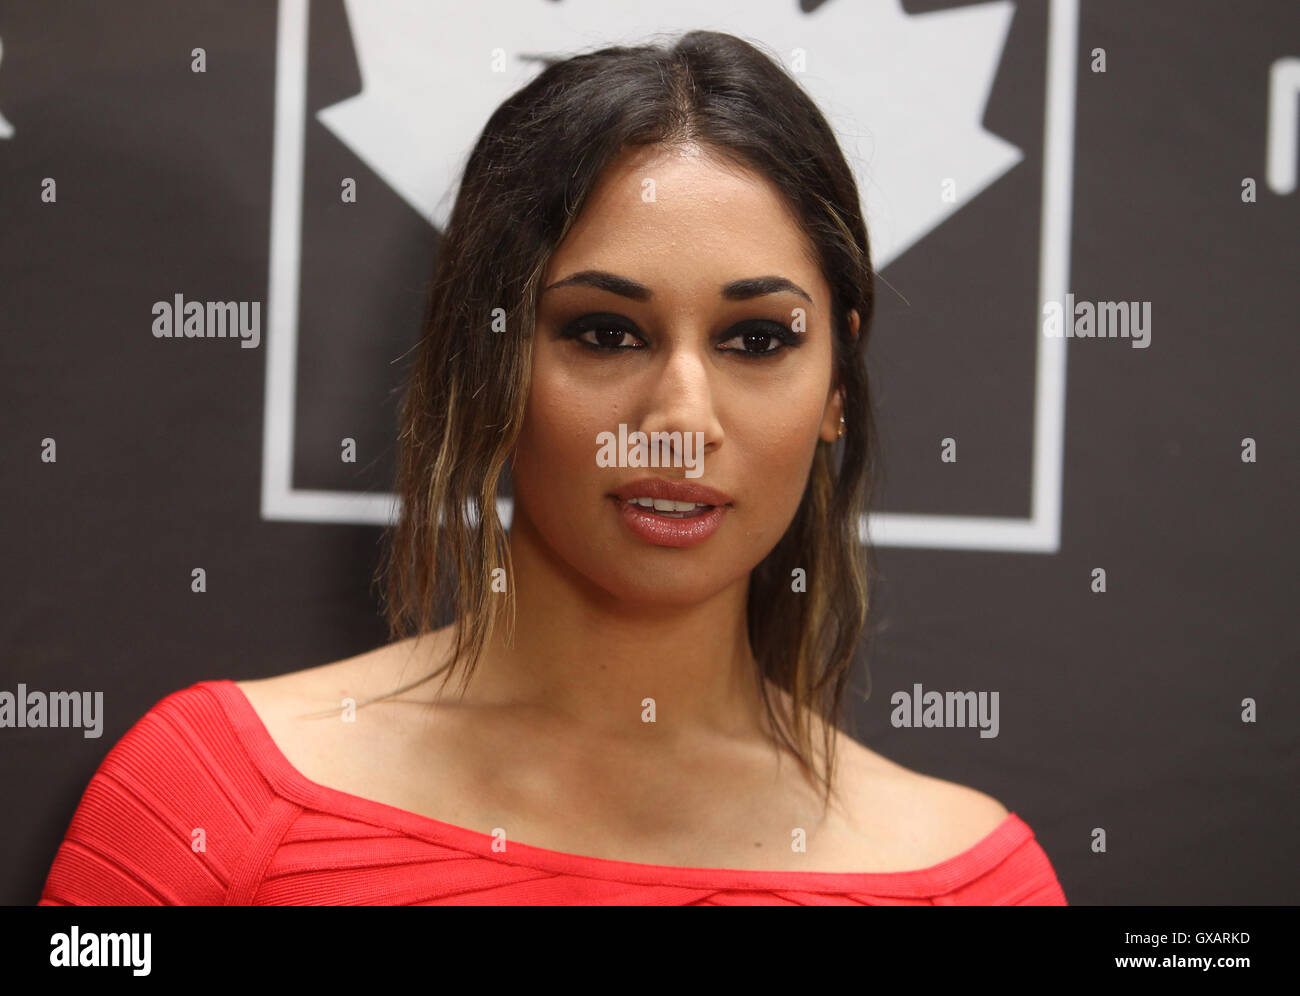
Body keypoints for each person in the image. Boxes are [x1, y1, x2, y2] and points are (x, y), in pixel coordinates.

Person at [39, 29, 1066, 905]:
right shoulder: (210, 806)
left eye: (755, 340)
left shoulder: (976, 882)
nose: (679, 418)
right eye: (604, 332)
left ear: (837, 382)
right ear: (488, 357)